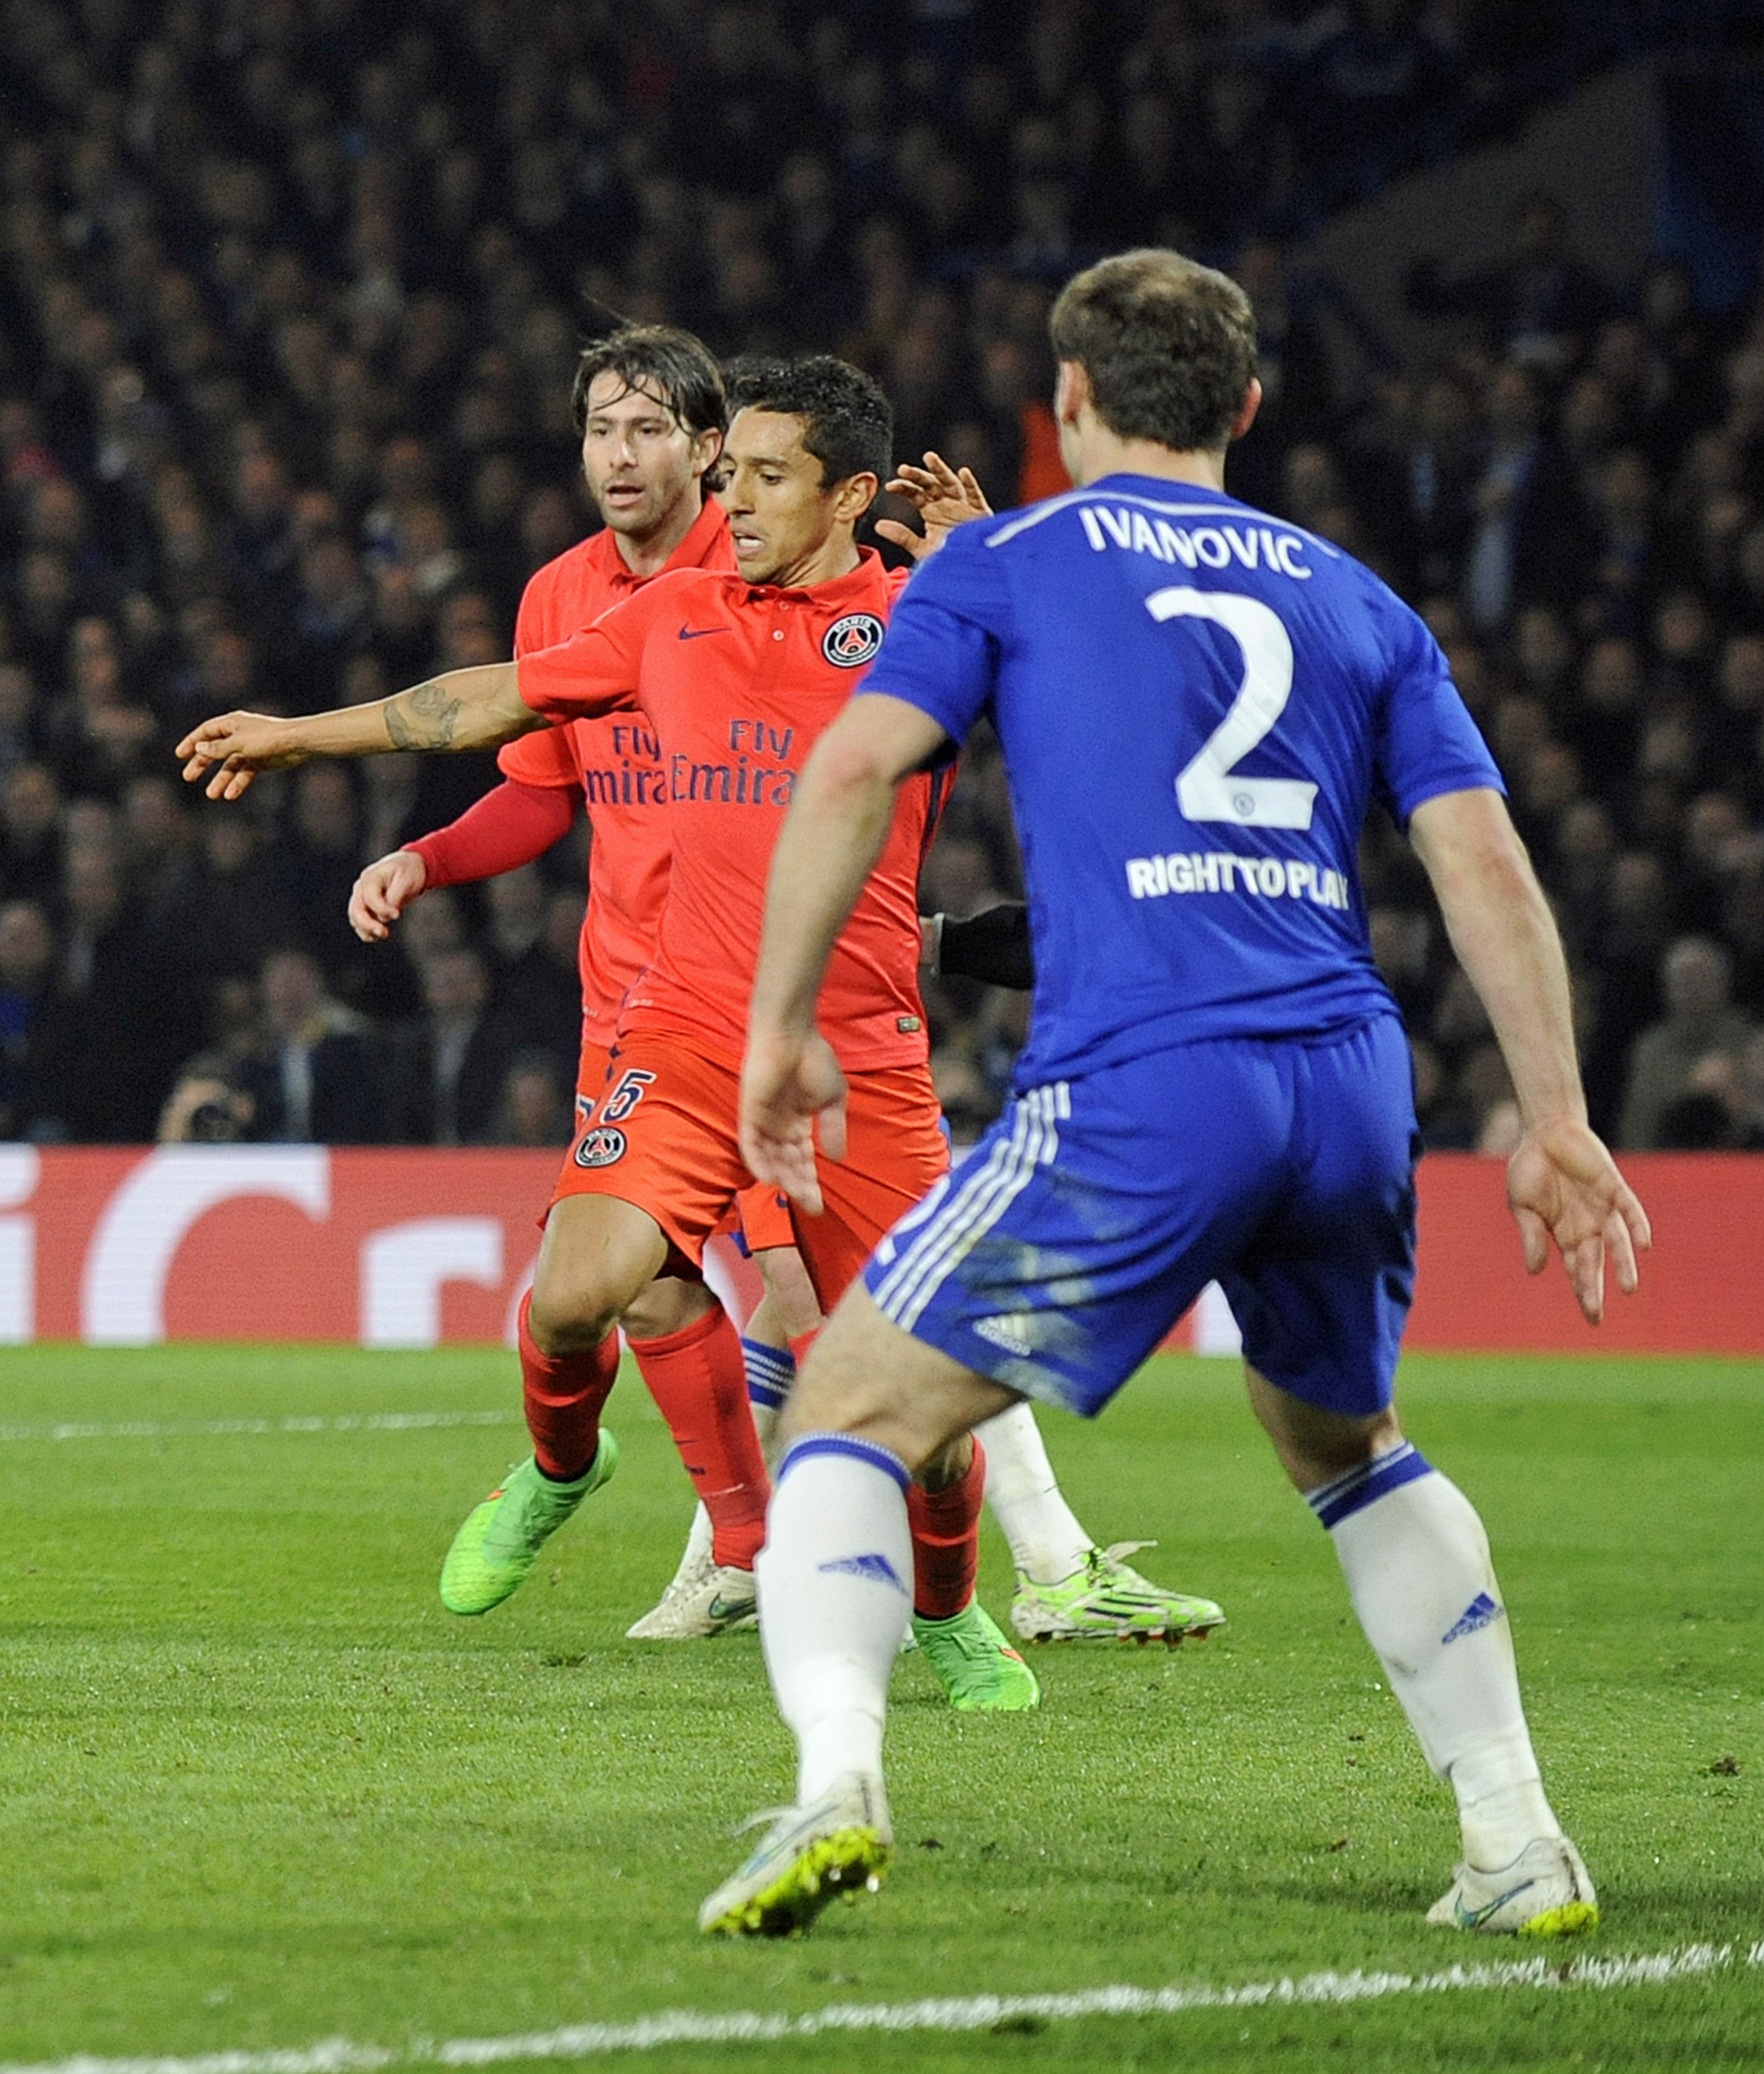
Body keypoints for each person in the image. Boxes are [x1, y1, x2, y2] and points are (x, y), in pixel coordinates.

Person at [705, 249, 1644, 1940]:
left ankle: (834, 1788)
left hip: (1150, 1073)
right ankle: (1516, 1842)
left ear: (1064, 403)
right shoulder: (1357, 596)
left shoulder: (1003, 557)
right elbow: (1479, 858)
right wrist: (1560, 1116)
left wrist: (777, 1026)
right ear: (1248, 408)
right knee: (1342, 1438)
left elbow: (853, 765)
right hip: (1347, 1077)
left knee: (844, 1406)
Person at [183, 357, 1039, 1710]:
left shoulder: (912, 621)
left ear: (852, 496)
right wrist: (305, 738)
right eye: (734, 469)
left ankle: (947, 1608)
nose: (732, 495)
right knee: (574, 1293)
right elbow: (486, 699)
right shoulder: (673, 614)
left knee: (925, 1415)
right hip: (689, 1027)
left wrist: (992, 569)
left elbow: (1072, 698)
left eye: (767, 476)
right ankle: (567, 1468)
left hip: (855, 1054)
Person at [351, 328, 1219, 1647]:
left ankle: (975, 1575)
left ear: (708, 452)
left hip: (814, 1016)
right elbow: (534, 783)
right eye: (601, 430)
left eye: (654, 432)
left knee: (838, 1317)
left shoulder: (823, 590)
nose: (625, 456)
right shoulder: (578, 600)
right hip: (651, 1004)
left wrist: (975, 569)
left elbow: (1049, 699)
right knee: (628, 1288)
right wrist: (420, 849)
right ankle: (752, 1544)